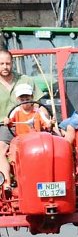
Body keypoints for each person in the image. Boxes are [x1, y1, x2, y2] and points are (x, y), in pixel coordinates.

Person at [0, 49, 35, 190]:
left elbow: (39, 104)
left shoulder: (25, 80)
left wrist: (49, 120)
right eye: (1, 63)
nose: (4, 67)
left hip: (29, 122)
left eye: (7, 63)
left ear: (12, 63)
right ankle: (6, 182)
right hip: (5, 126)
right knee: (1, 148)